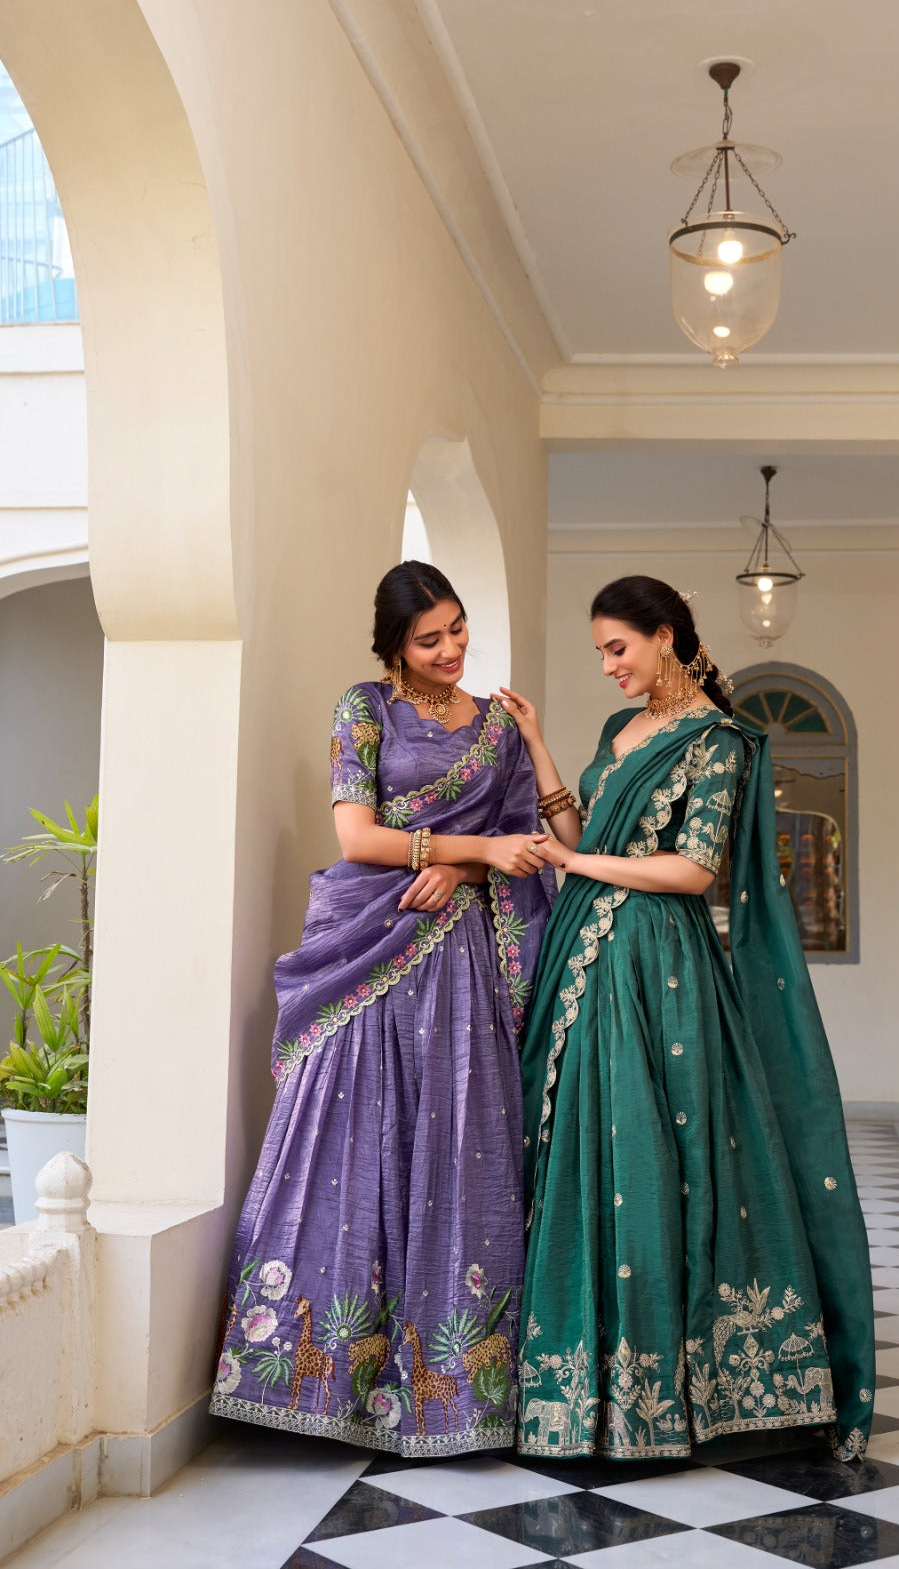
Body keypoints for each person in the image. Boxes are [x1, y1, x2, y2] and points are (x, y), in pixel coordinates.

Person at [497, 574, 874, 1463]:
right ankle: (579, 1386)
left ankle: (673, 1390)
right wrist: (538, 745)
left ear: (664, 636)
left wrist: (577, 867)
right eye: (600, 652)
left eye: (618, 647)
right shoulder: (618, 732)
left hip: (658, 965)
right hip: (586, 961)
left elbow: (693, 871)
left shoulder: (721, 740)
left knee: (655, 1150)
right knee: (581, 1147)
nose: (608, 666)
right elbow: (584, 836)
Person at [210, 561, 553, 1457]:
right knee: (345, 1133)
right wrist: (458, 850)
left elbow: (525, 849)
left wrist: (465, 869)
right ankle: (314, 1384)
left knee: (458, 1142)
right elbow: (356, 836)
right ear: (394, 647)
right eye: (428, 639)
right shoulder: (364, 710)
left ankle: (453, 1397)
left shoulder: (496, 729)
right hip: (373, 941)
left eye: (457, 628)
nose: (450, 649)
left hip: (462, 958)